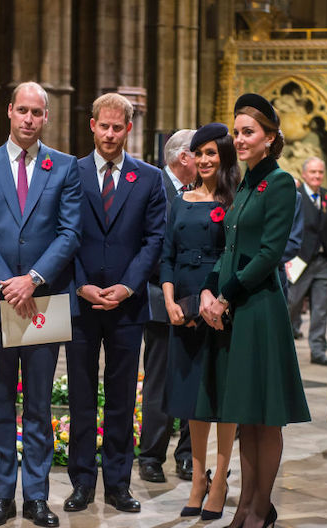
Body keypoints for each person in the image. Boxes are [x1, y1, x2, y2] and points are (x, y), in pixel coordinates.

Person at [0, 81, 81, 528]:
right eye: (22, 110)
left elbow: (69, 233)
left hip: (42, 301)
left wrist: (32, 279)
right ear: (9, 112)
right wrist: (7, 285)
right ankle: (0, 497)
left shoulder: (63, 167)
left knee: (38, 406)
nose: (29, 119)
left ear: (46, 117)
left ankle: (36, 496)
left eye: (37, 112)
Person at [197, 93, 310, 528]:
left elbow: (268, 255)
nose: (239, 139)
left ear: (270, 138)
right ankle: (245, 504)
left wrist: (223, 296)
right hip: (235, 306)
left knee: (265, 416)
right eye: (237, 131)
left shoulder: (280, 183)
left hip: (259, 308)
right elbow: (227, 248)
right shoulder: (244, 183)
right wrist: (208, 288)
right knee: (244, 414)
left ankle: (261, 508)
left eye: (249, 132)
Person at [64, 92, 165, 515]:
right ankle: (82, 482)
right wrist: (81, 285)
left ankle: (119, 484)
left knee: (122, 397)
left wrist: (126, 286)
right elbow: (61, 235)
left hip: (126, 307)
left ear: (129, 128)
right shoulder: (70, 172)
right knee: (82, 396)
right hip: (82, 304)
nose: (109, 134)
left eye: (117, 127)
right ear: (92, 125)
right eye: (103, 126)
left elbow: (155, 239)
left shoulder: (148, 177)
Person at [160, 123, 237, 520]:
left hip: (222, 304)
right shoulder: (181, 199)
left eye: (211, 153)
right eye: (199, 153)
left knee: (221, 395)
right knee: (192, 396)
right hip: (184, 304)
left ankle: (221, 478)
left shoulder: (235, 199)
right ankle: (197, 479)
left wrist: (219, 301)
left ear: (224, 155)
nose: (205, 160)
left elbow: (236, 254)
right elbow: (167, 254)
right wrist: (170, 302)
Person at [138, 128, 196, 484]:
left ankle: (188, 455)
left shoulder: (204, 191)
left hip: (195, 304)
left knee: (191, 380)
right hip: (160, 299)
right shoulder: (152, 186)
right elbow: (148, 245)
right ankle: (151, 456)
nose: (208, 160)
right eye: (200, 153)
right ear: (184, 157)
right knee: (158, 382)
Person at [288, 157, 327, 365]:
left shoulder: (326, 196)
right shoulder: (295, 196)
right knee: (292, 303)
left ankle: (318, 350)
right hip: (299, 259)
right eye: (313, 172)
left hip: (322, 260)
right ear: (304, 174)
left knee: (320, 308)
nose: (317, 176)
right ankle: (284, 344)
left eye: (320, 172)